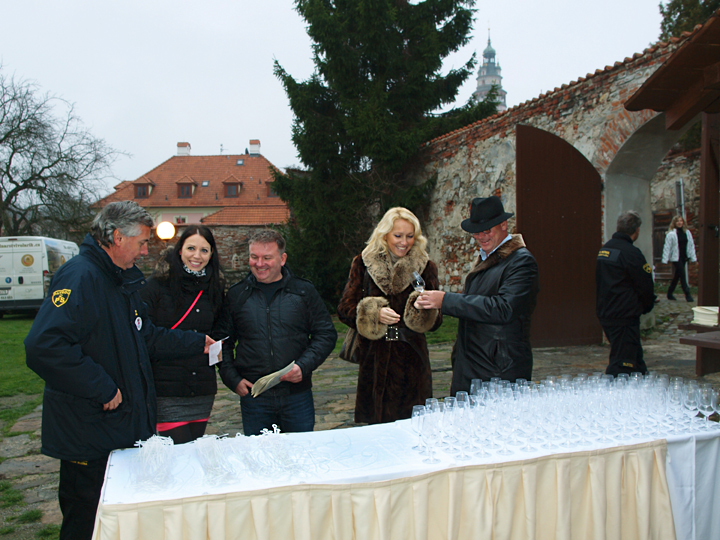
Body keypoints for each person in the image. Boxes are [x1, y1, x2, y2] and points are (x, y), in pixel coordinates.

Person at [24, 201, 214, 540]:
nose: (145, 251)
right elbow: (44, 346)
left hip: (113, 431)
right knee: (87, 521)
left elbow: (144, 336)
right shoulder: (82, 276)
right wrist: (102, 387)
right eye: (141, 242)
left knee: (113, 522)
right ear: (116, 236)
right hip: (88, 432)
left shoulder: (118, 280)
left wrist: (194, 342)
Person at [214, 229, 336, 436]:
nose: (259, 264)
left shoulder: (303, 291)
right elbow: (220, 341)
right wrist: (231, 379)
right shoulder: (236, 295)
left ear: (282, 258)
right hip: (255, 397)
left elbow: (326, 334)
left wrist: (303, 366)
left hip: (297, 396)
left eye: (267, 258)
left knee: (300, 456)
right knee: (260, 461)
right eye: (254, 257)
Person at [415, 196, 539, 394]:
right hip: (472, 365)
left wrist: (446, 300)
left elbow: (504, 309)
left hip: (500, 370)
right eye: (476, 232)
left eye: (487, 230)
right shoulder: (487, 258)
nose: (481, 236)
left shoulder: (521, 262)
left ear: (504, 225)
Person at [337, 207, 443, 424]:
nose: (404, 242)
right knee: (378, 430)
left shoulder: (425, 267)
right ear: (384, 234)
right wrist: (373, 313)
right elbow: (344, 308)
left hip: (413, 360)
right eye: (398, 235)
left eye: (410, 236)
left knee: (415, 426)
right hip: (375, 360)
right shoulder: (364, 263)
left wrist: (422, 310)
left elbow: (437, 320)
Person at [140, 225, 225, 444]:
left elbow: (219, 331)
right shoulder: (155, 287)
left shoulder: (215, 287)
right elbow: (146, 336)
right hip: (167, 389)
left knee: (193, 452)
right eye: (191, 248)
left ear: (211, 254)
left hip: (202, 389)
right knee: (179, 457)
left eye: (204, 250)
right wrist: (195, 342)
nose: (197, 256)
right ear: (180, 250)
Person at [595, 210, 657, 376]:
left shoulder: (605, 250)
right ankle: (615, 391)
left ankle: (642, 382)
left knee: (634, 357)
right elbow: (644, 285)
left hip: (607, 312)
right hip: (624, 314)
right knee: (623, 363)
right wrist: (645, 306)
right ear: (636, 230)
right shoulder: (631, 254)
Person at [661, 215, 697, 302]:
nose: (679, 223)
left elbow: (691, 245)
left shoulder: (687, 232)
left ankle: (669, 293)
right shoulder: (671, 234)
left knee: (677, 275)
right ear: (674, 223)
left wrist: (693, 258)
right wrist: (665, 259)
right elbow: (667, 247)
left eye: (681, 221)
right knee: (682, 275)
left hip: (684, 256)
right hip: (676, 257)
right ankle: (687, 294)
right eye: (678, 221)